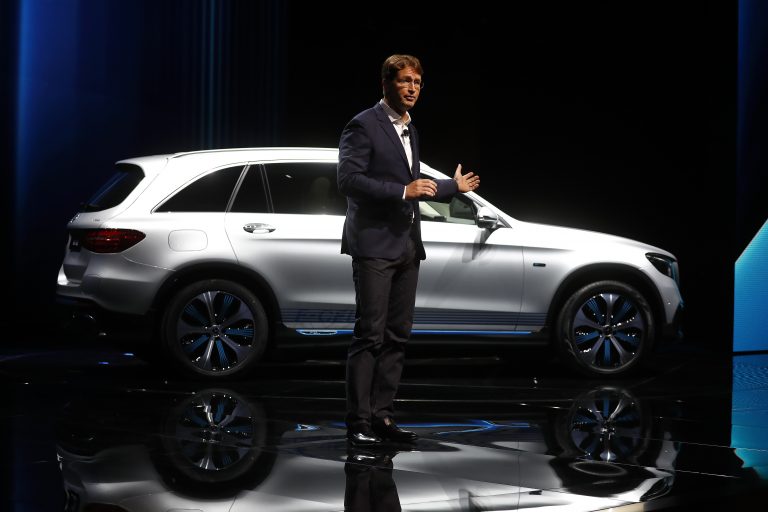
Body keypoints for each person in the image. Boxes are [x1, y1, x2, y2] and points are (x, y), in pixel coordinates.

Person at [337, 54, 480, 446]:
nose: (413, 88)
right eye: (405, 81)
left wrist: (453, 188)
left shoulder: (410, 130)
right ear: (386, 83)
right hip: (374, 245)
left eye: (417, 82)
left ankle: (382, 417)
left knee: (397, 335)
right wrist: (402, 191)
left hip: (406, 245)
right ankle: (358, 423)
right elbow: (349, 180)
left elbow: (417, 184)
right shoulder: (363, 124)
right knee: (370, 335)